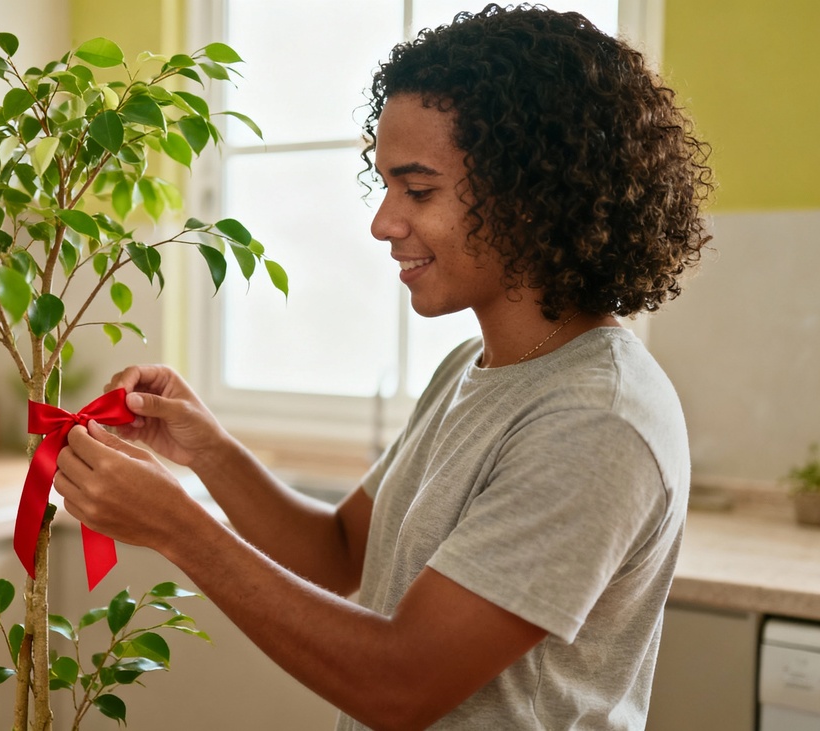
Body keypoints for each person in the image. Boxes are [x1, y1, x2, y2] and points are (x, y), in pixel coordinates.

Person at [52, 4, 712, 729]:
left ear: (531, 196)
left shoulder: (596, 419)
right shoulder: (476, 366)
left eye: (418, 190)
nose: (383, 222)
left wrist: (179, 527)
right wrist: (207, 450)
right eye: (387, 185)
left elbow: (400, 683)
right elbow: (342, 554)